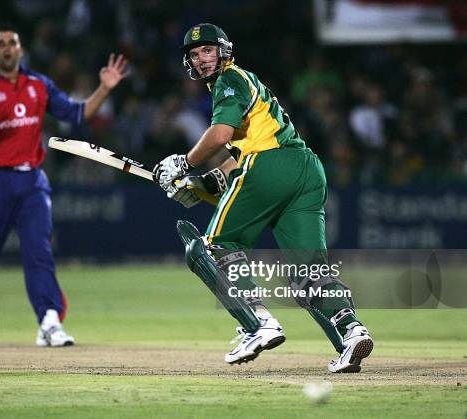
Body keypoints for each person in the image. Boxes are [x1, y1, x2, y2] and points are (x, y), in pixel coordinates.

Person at [153, 23, 373, 372]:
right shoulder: (246, 81)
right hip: (306, 169)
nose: (202, 59)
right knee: (308, 272)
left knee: (215, 247)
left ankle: (257, 322)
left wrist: (183, 162)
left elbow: (222, 134)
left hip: (270, 164)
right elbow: (238, 155)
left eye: (207, 51)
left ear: (224, 50)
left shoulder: (230, 80)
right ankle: (352, 331)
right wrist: (204, 181)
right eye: (195, 55)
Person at [0, 24, 128, 347]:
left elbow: (76, 114)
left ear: (21, 50)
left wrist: (104, 89)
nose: (8, 48)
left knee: (38, 250)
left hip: (32, 179)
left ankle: (49, 322)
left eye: (13, 42)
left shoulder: (38, 84)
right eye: (1, 44)